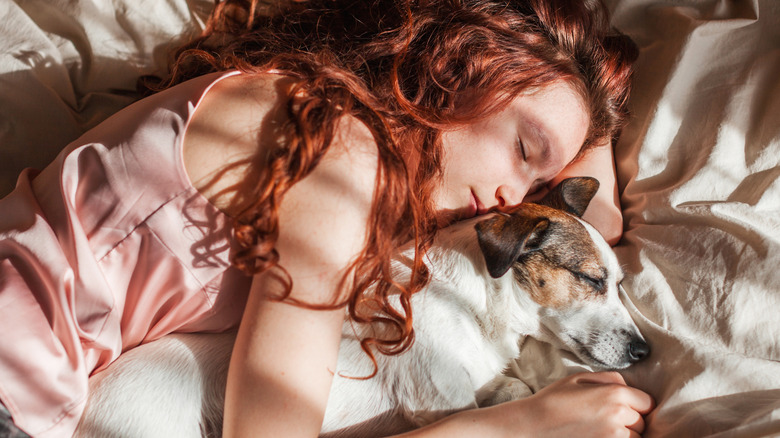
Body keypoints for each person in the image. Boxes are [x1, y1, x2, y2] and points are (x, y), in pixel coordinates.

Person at [0, 0, 654, 436]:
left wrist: (592, 110)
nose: (515, 197)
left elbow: (596, 227)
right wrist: (521, 426)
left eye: (538, 181)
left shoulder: (321, 118)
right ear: (459, 66)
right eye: (522, 150)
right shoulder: (339, 153)